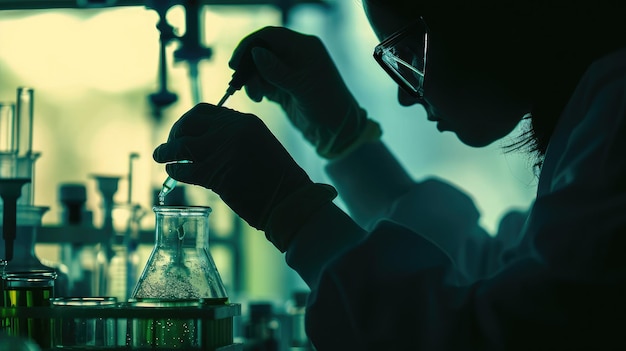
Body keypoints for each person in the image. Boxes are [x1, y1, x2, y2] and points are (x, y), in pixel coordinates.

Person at [153, 0, 626, 348]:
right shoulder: (596, 112)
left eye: (412, 53)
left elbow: (487, 338)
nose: (406, 94)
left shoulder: (618, 115)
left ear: (481, 19)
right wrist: (347, 141)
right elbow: (490, 276)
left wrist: (293, 211)